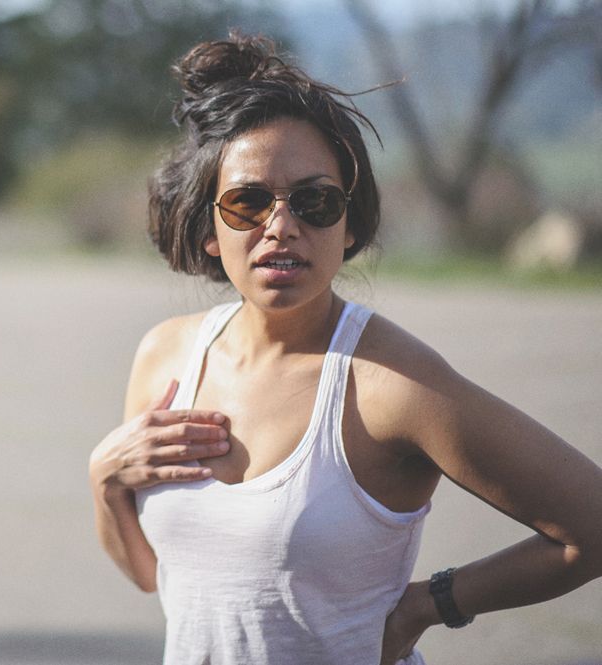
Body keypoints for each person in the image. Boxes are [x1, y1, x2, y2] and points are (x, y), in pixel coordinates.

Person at [88, 33, 602, 665]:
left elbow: (593, 526)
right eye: (248, 202)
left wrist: (430, 604)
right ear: (209, 231)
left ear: (351, 224)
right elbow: (155, 576)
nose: (282, 225)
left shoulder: (389, 385)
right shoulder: (165, 357)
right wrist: (106, 482)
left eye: (315, 200)